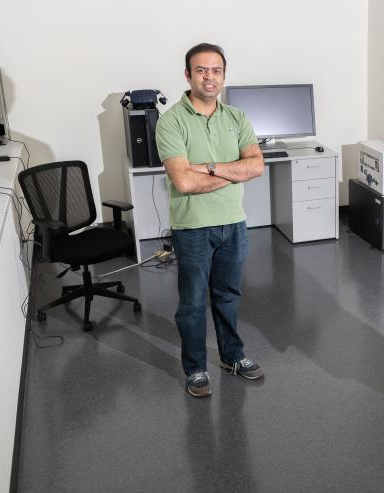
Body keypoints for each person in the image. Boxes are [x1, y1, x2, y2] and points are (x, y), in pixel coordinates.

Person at [156, 43, 266, 398]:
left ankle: (232, 357)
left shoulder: (236, 117)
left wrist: (212, 168)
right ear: (188, 75)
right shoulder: (171, 121)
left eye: (216, 70)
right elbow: (184, 181)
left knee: (229, 296)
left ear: (223, 75)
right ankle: (196, 368)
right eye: (201, 70)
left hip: (233, 223)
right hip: (192, 228)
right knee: (191, 304)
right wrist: (236, 172)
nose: (209, 77)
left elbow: (257, 166)